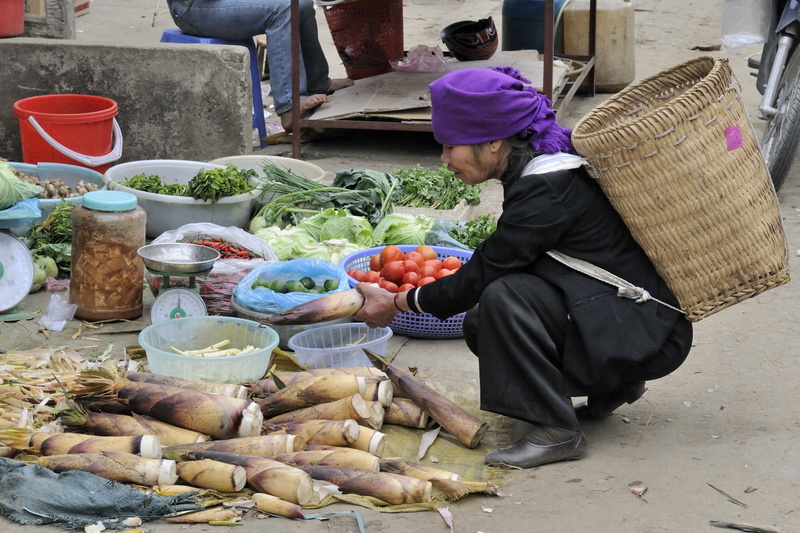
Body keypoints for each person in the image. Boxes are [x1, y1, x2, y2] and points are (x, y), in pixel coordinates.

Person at [353, 66, 693, 469]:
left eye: (450, 146)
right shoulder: (546, 161)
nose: (444, 159)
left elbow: (483, 274)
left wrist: (399, 302)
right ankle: (613, 384)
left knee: (501, 299)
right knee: (485, 316)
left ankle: (557, 431)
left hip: (645, 331)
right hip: (633, 319)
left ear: (495, 141)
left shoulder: (546, 189)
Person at [166, 0, 353, 131]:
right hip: (193, 8)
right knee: (283, 9)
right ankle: (290, 105)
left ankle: (317, 82)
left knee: (302, 3)